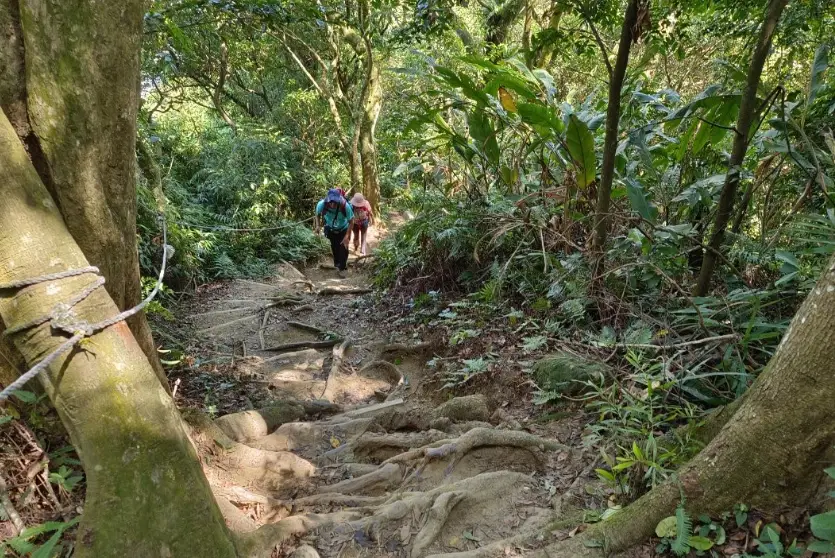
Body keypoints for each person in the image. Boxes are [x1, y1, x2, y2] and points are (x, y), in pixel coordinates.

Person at [314, 188, 354, 276]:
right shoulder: (321, 204)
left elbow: (351, 221)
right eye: (330, 201)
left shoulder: (345, 206)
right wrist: (317, 226)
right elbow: (317, 214)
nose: (332, 204)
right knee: (334, 247)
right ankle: (337, 265)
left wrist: (347, 236)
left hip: (344, 228)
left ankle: (342, 268)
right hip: (331, 229)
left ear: (338, 200)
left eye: (334, 202)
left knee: (343, 248)